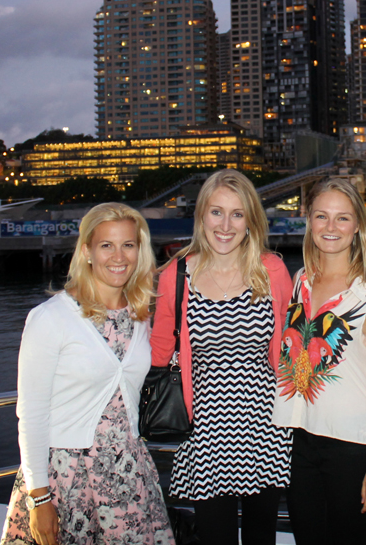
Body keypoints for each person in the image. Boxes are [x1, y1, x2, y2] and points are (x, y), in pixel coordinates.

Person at [1, 203, 175, 545]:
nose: (118, 256)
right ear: (87, 251)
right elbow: (32, 415)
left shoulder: (140, 316)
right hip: (67, 477)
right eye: (106, 245)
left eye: (128, 244)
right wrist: (39, 498)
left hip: (128, 472)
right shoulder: (50, 318)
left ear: (139, 251)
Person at [150, 169, 293, 545]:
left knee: (263, 535)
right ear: (201, 217)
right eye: (216, 212)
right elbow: (159, 350)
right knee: (216, 536)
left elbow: (298, 336)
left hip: (268, 426)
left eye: (237, 214)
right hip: (206, 430)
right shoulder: (177, 275)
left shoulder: (271, 270)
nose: (225, 225)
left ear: (251, 221)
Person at [272, 178, 366, 545]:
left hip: (353, 445)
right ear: (309, 222)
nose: (330, 227)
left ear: (358, 227)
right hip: (300, 439)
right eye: (321, 216)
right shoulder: (300, 280)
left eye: (342, 218)